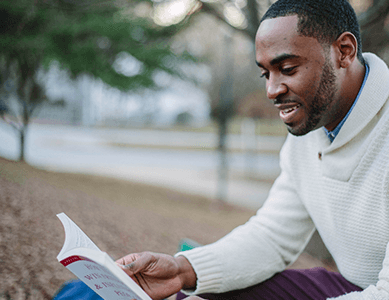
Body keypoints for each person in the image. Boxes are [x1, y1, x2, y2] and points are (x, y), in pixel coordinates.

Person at [117, 0, 389, 299]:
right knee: (193, 294)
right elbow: (272, 237)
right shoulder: (310, 132)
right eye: (266, 74)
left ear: (344, 51)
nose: (272, 90)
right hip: (354, 288)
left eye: (287, 68)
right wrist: (183, 269)